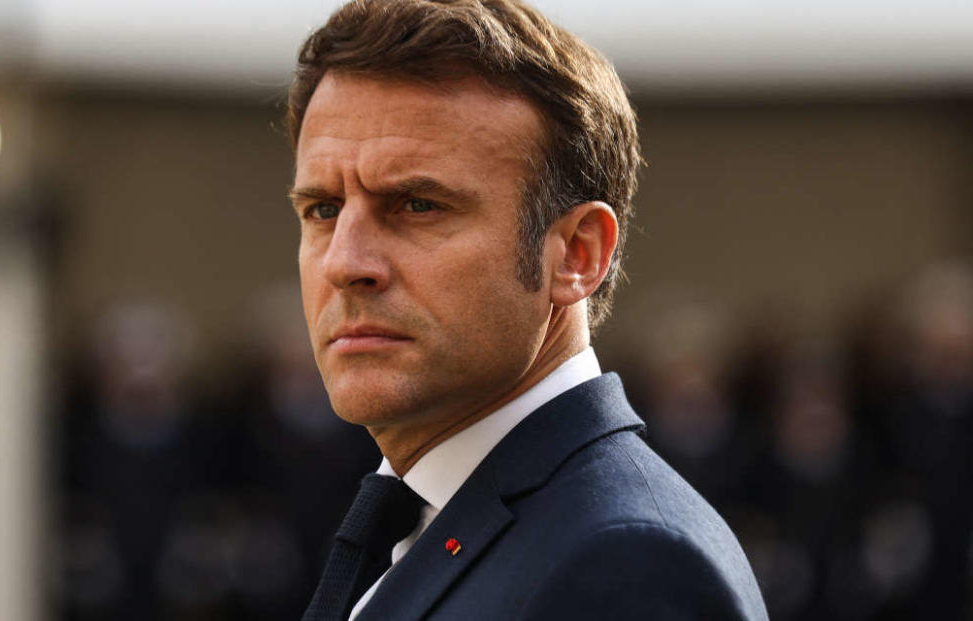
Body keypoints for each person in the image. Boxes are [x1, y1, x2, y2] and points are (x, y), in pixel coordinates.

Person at [284, 1, 768, 619]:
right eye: (323, 209)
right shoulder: (423, 518)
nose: (344, 264)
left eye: (418, 205)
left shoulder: (627, 565)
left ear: (577, 254)